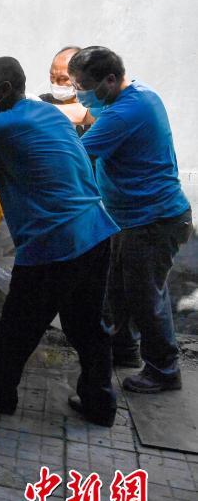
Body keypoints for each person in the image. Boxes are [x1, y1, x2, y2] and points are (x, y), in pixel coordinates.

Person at [0, 57, 120, 427]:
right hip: (96, 230)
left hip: (54, 240)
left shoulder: (3, 124)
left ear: (2, 89)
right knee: (86, 326)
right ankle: (100, 403)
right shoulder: (48, 114)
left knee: (18, 325)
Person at [69, 46, 193, 392]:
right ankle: (125, 351)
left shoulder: (122, 114)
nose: (80, 94)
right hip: (134, 217)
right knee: (118, 288)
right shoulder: (141, 94)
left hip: (153, 220)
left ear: (110, 79)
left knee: (145, 298)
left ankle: (165, 371)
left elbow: (77, 155)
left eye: (83, 86)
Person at [38, 46, 94, 136]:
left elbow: (87, 113)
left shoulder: (98, 105)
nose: (55, 83)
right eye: (52, 76)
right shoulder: (44, 101)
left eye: (63, 78)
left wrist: (38, 109)